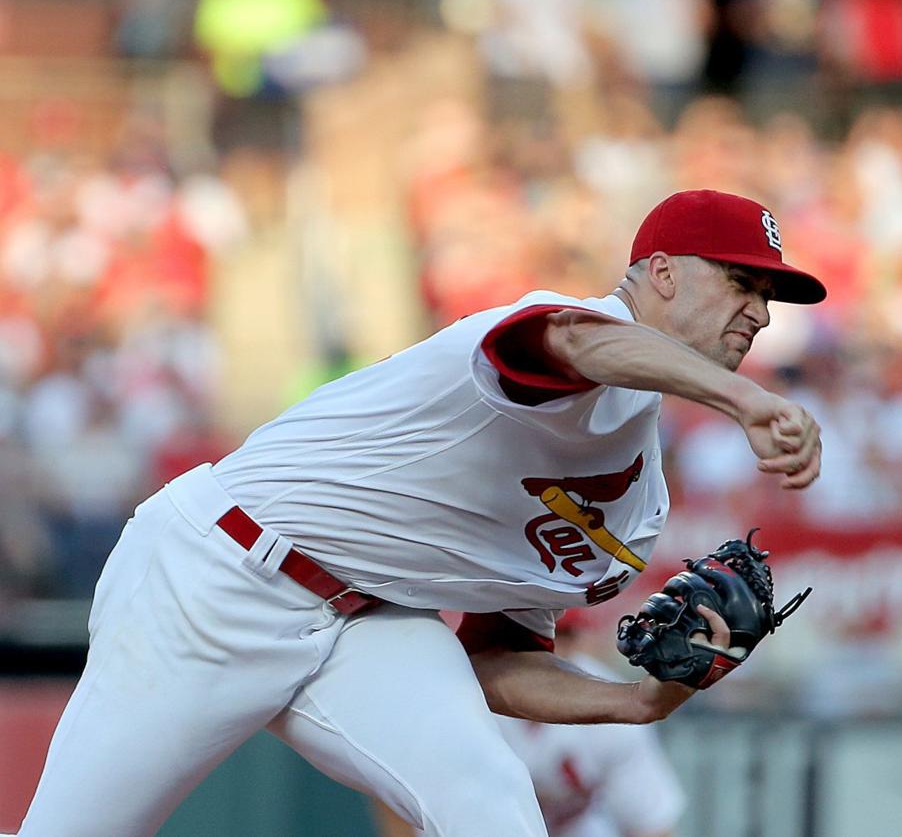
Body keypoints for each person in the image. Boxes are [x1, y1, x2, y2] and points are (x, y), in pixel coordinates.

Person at [12, 189, 825, 837]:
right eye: (741, 282)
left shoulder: (638, 499)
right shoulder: (569, 329)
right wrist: (742, 399)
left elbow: (495, 658)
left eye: (769, 297)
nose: (759, 312)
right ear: (661, 272)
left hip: (371, 620)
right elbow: (578, 348)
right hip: (216, 573)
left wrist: (638, 702)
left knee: (493, 808)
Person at [375, 611, 686, 837]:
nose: (553, 647)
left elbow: (650, 822)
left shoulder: (615, 708)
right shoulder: (460, 693)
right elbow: (397, 790)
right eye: (546, 636)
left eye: (565, 634)